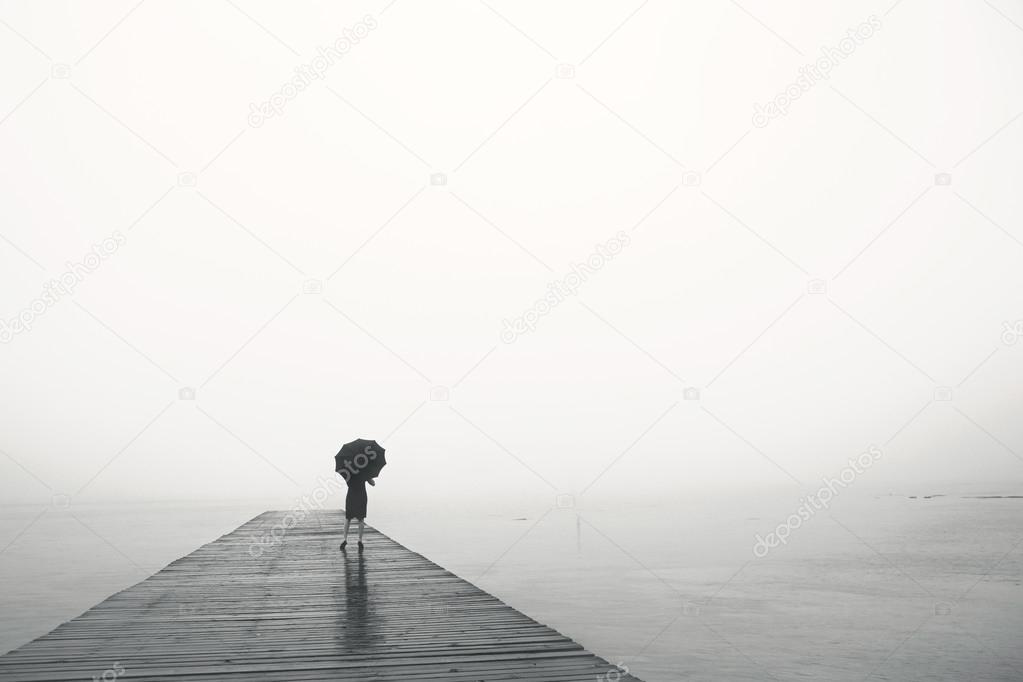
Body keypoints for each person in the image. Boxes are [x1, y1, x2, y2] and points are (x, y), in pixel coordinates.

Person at [340, 475, 375, 551]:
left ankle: (344, 539)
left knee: (348, 518)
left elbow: (348, 483)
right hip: (361, 495)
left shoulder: (349, 470)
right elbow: (372, 483)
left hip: (351, 494)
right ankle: (360, 540)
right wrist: (369, 478)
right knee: (361, 519)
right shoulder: (365, 471)